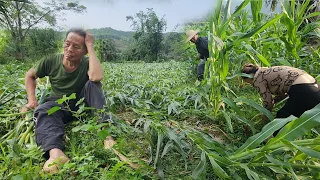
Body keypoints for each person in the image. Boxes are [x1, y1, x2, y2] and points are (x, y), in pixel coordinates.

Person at [21, 28, 109, 173]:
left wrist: (91, 46)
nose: (69, 49)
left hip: (82, 106)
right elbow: (30, 75)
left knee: (93, 84)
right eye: (67, 44)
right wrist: (32, 99)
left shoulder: (87, 62)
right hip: (58, 104)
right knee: (43, 110)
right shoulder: (51, 61)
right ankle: (56, 154)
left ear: (84, 51)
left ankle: (106, 135)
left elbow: (96, 77)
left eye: (76, 47)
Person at [241, 63, 320, 120]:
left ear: (249, 77)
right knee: (297, 115)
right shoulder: (267, 71)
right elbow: (285, 90)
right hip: (315, 86)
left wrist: (265, 114)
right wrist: (275, 100)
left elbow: (267, 100)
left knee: (282, 119)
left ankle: (271, 139)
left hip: (303, 90)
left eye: (248, 82)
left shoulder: (257, 79)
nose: (251, 85)